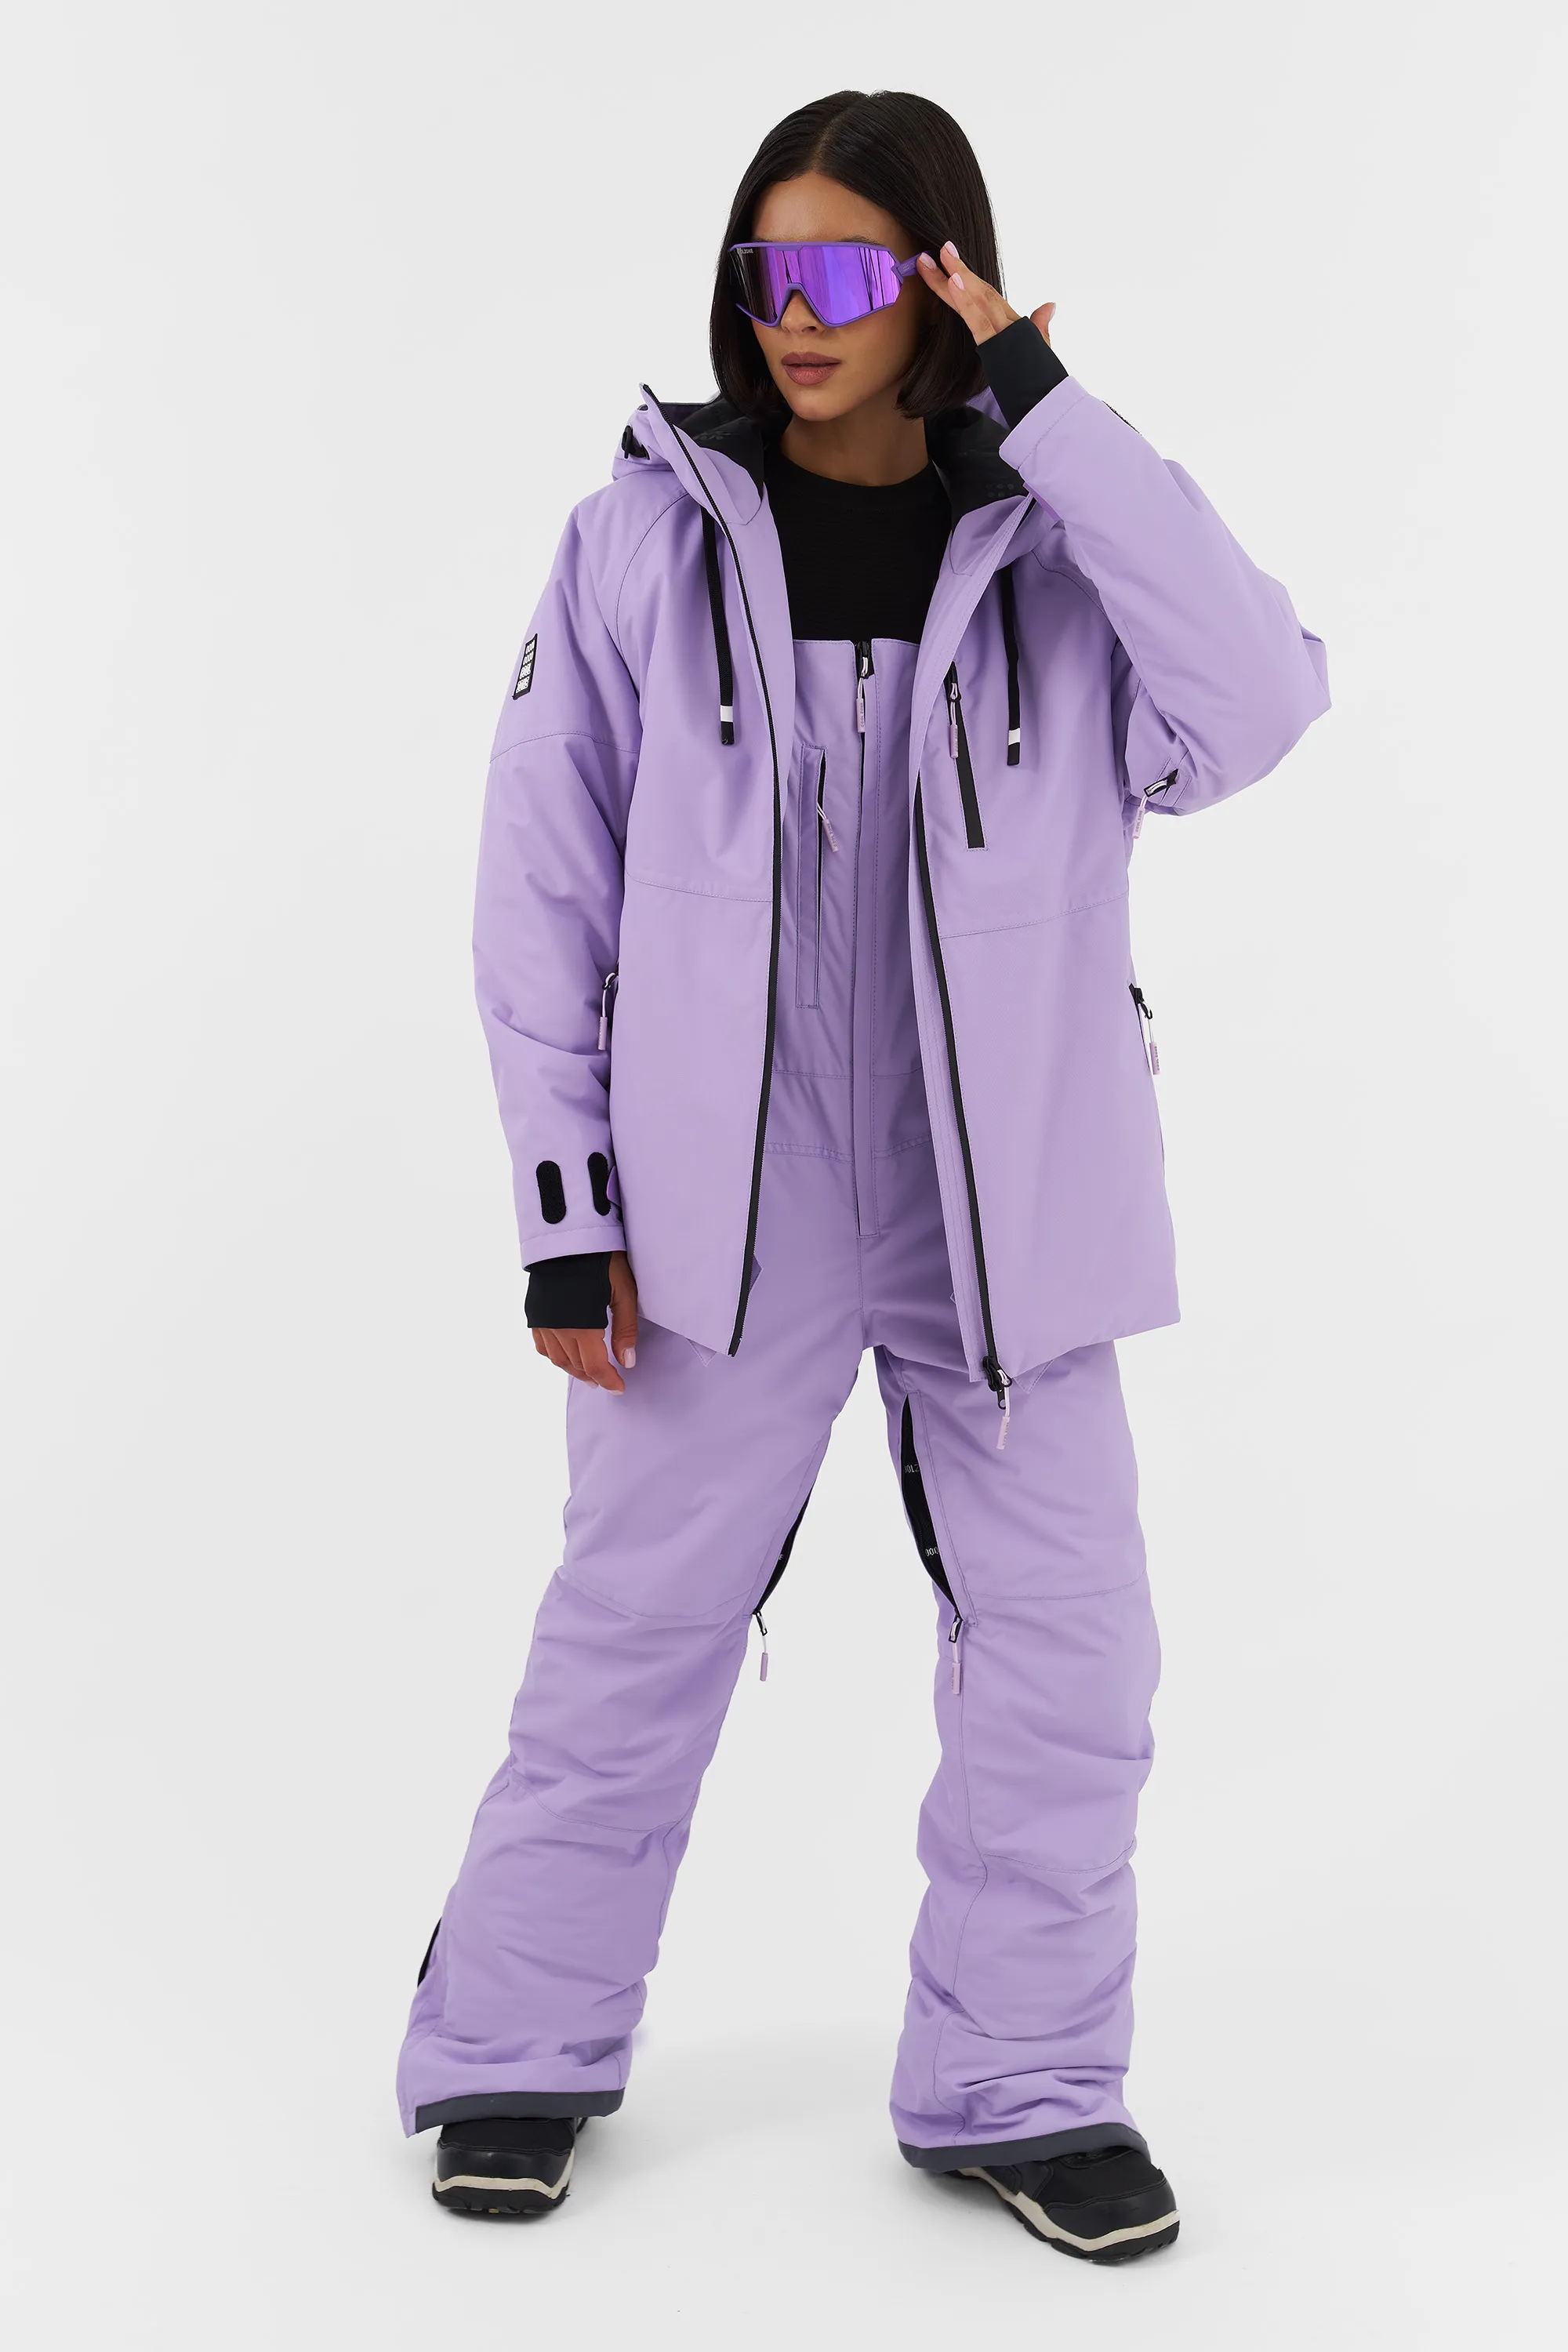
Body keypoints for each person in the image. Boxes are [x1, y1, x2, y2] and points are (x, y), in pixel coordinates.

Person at [397, 88, 1329, 2260]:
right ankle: (513, 2047)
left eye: (839, 272)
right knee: (637, 1627)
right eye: (764, 272)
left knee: (1070, 1651)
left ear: (939, 282)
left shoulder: (1060, 555)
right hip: (721, 1192)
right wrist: (567, 1214)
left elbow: (1260, 705)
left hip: (1012, 1188)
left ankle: (1025, 2083)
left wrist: (1055, 419)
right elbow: (539, 889)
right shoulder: (639, 544)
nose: (791, 317)